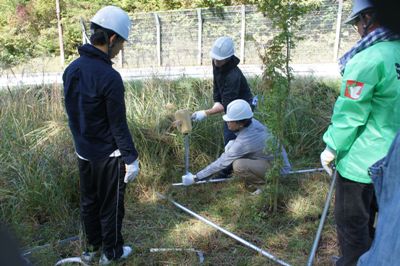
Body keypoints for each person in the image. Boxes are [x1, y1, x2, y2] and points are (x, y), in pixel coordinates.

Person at [320, 0, 400, 265]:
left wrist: (332, 147)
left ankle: (355, 260)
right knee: (389, 227)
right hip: (393, 162)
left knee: (354, 229)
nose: (356, 29)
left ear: (369, 17)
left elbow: (350, 113)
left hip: (360, 165)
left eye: (356, 22)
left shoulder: (367, 59)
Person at [63, 6, 139, 265]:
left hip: (83, 151)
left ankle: (92, 247)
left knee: (89, 202)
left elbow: (72, 115)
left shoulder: (71, 70)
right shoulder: (109, 76)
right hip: (109, 155)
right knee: (111, 205)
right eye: (121, 44)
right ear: (112, 39)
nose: (120, 50)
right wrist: (131, 158)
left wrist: (80, 145)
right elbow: (118, 125)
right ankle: (112, 253)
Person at [183, 100, 291, 194]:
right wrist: (234, 141)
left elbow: (221, 162)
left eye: (230, 121)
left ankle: (266, 188)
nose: (227, 122)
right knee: (240, 160)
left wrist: (196, 178)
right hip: (275, 162)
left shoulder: (244, 141)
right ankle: (263, 179)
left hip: (279, 170)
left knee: (239, 165)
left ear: (241, 123)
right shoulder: (252, 122)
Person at [192, 36, 254, 179]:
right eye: (214, 58)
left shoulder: (234, 75)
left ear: (228, 58)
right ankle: (231, 167)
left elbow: (227, 104)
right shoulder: (216, 62)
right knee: (229, 137)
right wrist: (216, 101)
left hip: (242, 107)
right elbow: (217, 84)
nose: (215, 61)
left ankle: (228, 171)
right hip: (229, 103)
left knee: (234, 138)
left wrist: (205, 113)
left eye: (219, 59)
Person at [357, 131, 400, 265]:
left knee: (353, 223)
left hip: (356, 164)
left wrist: (333, 146)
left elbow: (351, 115)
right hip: (381, 157)